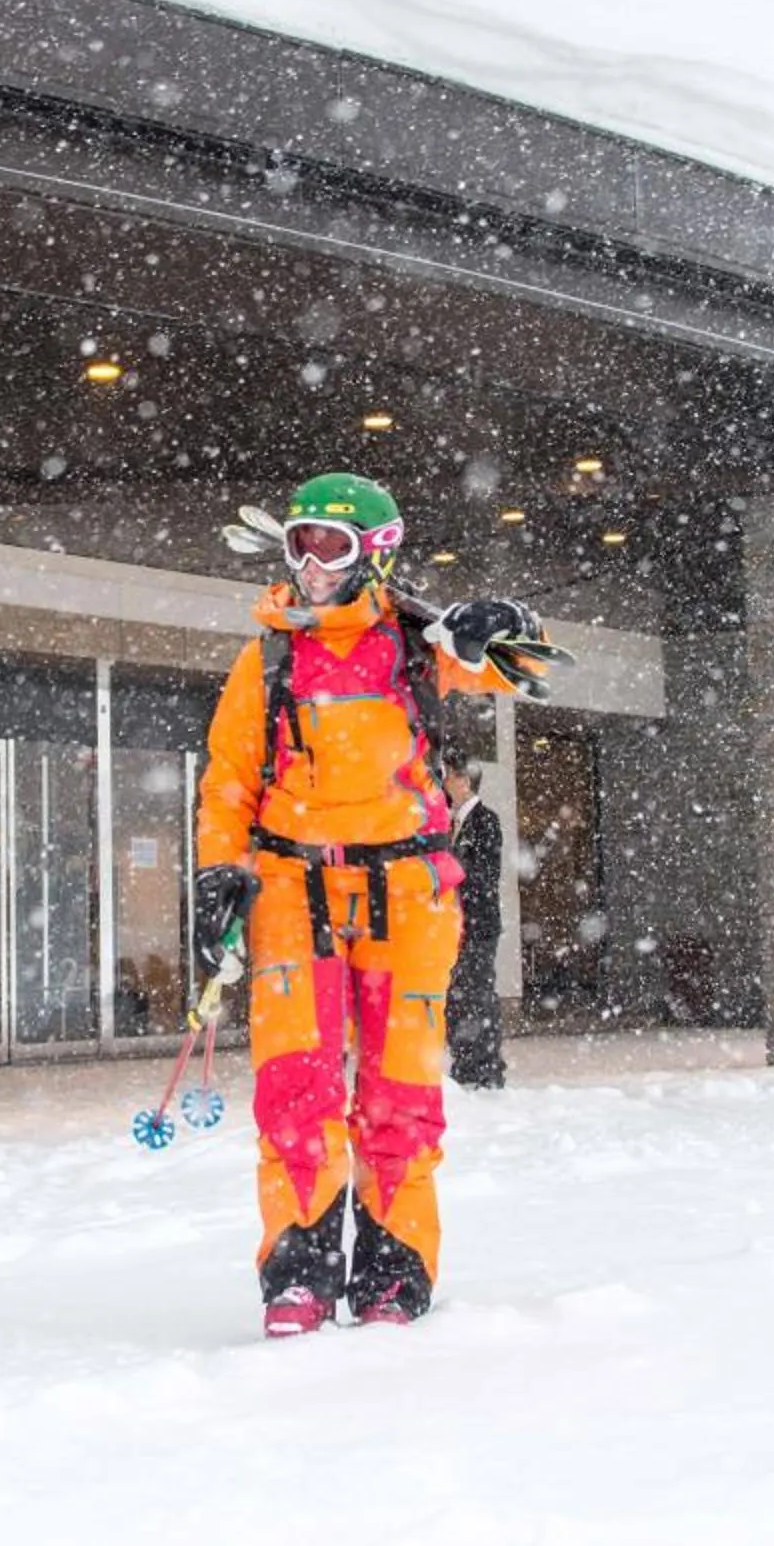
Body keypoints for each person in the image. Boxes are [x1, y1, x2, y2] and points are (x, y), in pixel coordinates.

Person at [192, 471, 549, 1336]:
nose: (312, 565)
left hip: (407, 891)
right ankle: (298, 1272)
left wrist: (500, 625)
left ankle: (394, 1270)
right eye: (301, 543)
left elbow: (523, 669)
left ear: (373, 555)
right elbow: (230, 779)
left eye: (332, 546)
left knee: (399, 1088)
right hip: (290, 887)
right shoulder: (269, 655)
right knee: (296, 1088)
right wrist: (218, 872)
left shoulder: (419, 647)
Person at [439, 749, 508, 1089]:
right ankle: (465, 1064)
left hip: (478, 926)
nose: (444, 781)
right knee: (457, 997)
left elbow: (485, 874)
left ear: (464, 781)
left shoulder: (486, 821)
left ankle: (487, 1069)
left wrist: (452, 862)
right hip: (455, 926)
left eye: (448, 775)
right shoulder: (448, 821)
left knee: (478, 995)